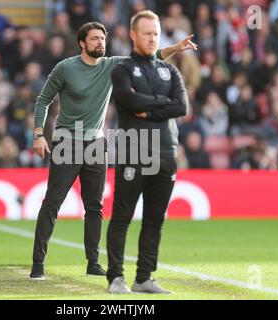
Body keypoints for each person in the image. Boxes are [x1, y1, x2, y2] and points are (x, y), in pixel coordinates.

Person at [29, 21, 195, 280]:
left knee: (94, 206)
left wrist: (175, 48)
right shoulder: (65, 68)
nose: (100, 43)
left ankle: (93, 262)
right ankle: (38, 264)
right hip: (67, 143)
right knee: (53, 203)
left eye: (103, 39)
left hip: (97, 143)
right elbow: (43, 99)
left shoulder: (111, 66)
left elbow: (146, 58)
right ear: (82, 43)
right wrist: (39, 134)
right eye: (95, 39)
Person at [106, 10, 195, 294]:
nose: (152, 38)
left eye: (156, 33)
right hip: (135, 152)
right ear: (133, 35)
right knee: (122, 217)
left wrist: (150, 107)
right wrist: (162, 102)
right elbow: (129, 100)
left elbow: (181, 106)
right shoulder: (121, 69)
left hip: (167, 153)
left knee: (155, 220)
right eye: (147, 33)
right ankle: (116, 278)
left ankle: (144, 278)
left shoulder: (170, 70)